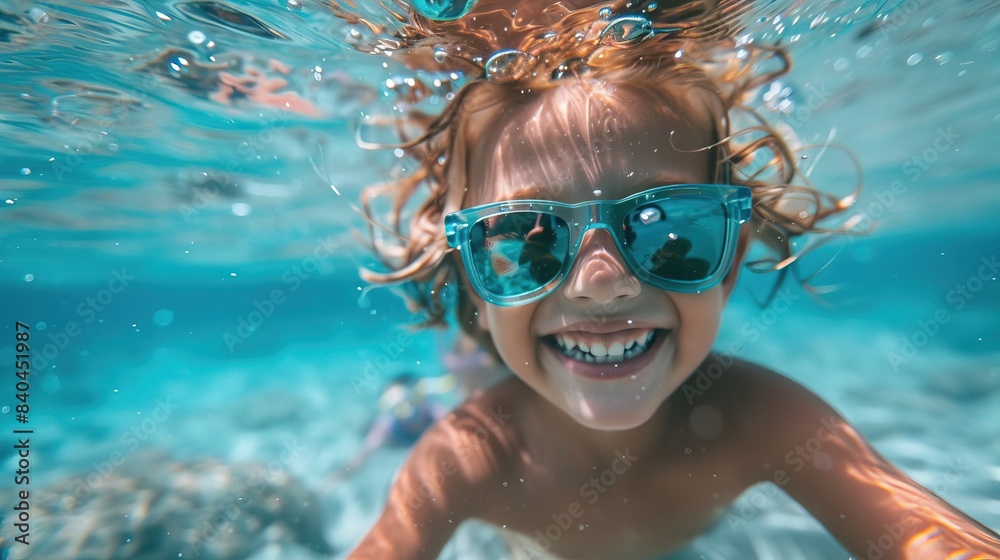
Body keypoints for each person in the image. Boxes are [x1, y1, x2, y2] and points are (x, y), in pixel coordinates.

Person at [335, 0, 1000, 558]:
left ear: (730, 263)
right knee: (450, 388)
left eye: (669, 234)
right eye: (528, 240)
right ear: (473, 277)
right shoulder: (468, 455)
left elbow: (926, 537)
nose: (602, 282)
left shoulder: (760, 419)